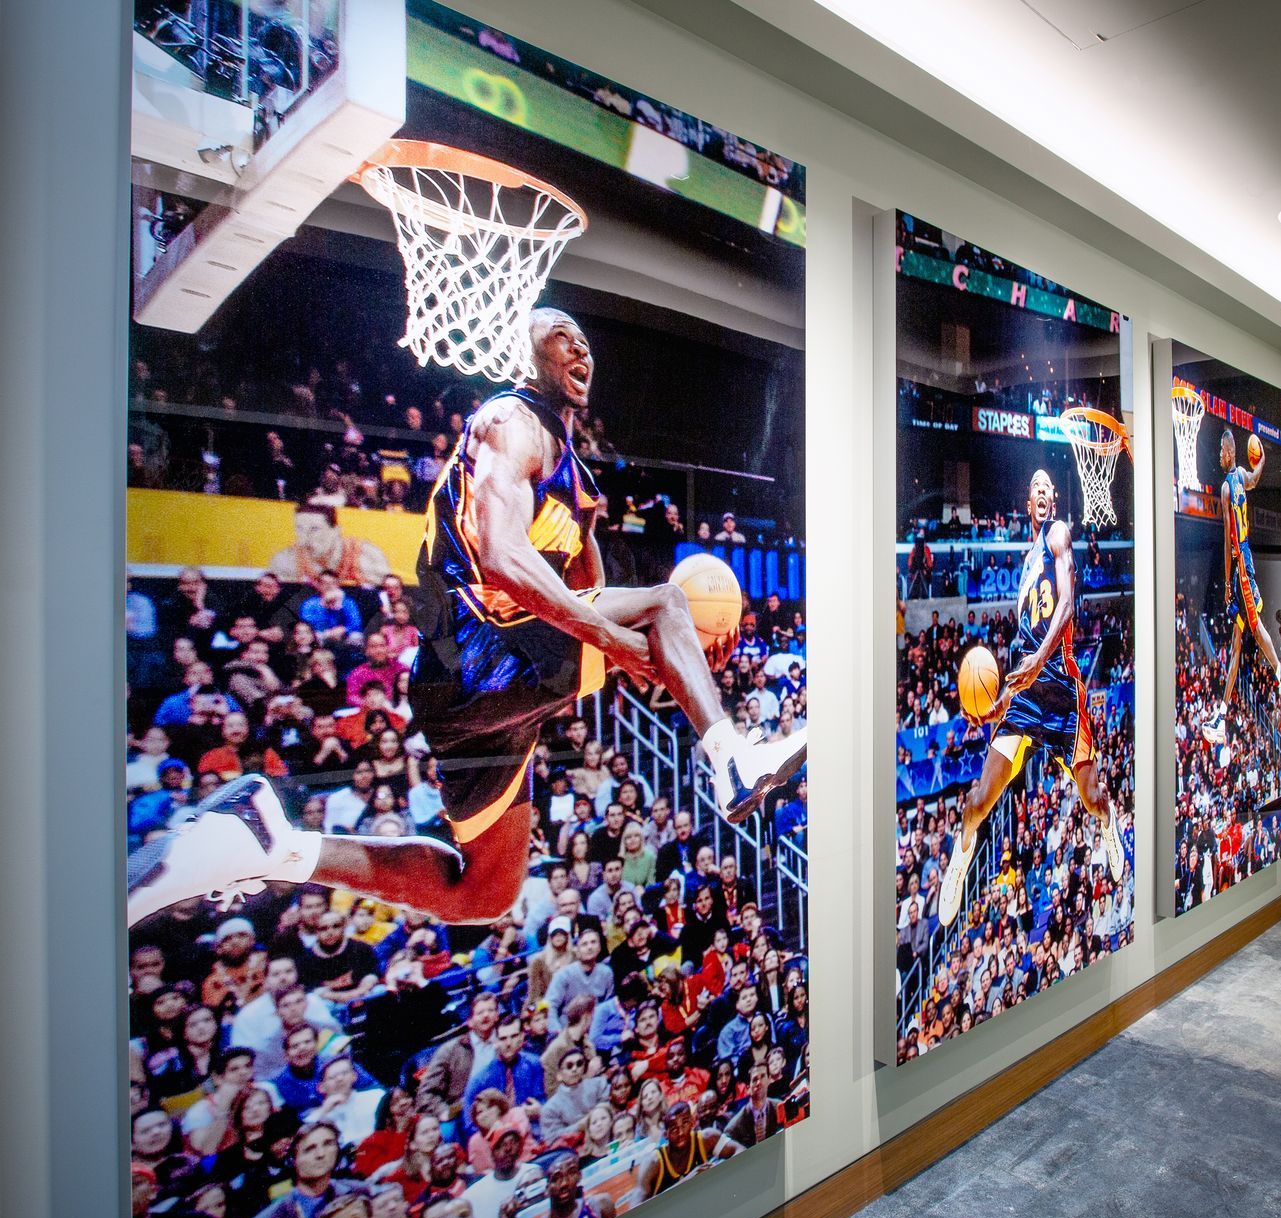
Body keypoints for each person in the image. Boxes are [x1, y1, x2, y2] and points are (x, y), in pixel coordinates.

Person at [130, 310, 808, 929]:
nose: (579, 346)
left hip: (486, 691)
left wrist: (669, 659)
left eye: (585, 339)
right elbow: (507, 559)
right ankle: (731, 761)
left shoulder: (575, 482)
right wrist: (646, 635)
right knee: (666, 599)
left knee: (481, 893)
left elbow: (591, 602)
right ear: (524, 354)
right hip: (479, 652)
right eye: (560, 334)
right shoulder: (512, 425)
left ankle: (274, 844)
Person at [935, 469, 1126, 927]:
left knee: (1092, 796)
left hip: (1059, 685)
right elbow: (1022, 646)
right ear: (1027, 503)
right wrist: (995, 704)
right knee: (978, 801)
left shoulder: (1056, 535)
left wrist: (1040, 661)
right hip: (1025, 696)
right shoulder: (1023, 564)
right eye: (1033, 488)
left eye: (1046, 487)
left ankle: (1108, 822)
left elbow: (1067, 602)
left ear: (1053, 500)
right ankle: (960, 859)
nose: (1040, 492)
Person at [1198, 429, 1281, 748]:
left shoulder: (1226, 486)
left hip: (1240, 562)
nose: (1219, 457)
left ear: (1228, 452)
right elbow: (1258, 476)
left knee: (1254, 624)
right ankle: (1221, 715)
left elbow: (1226, 539)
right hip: (1244, 561)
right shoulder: (1245, 478)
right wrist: (1262, 458)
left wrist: (1226, 580)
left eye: (1221, 453)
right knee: (1236, 644)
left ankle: (1280, 671)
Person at [236, 1120, 365, 1218]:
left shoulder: (359, 1191)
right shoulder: (274, 1216)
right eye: (309, 1149)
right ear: (293, 1159)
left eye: (328, 1144)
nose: (321, 1154)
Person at [267, 501, 392, 589]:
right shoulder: (286, 559)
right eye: (299, 529)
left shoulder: (366, 556)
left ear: (336, 531)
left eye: (314, 529)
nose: (304, 539)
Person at [635, 1102, 741, 1202]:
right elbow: (637, 1209)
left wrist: (718, 1171)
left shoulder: (706, 1138)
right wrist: (687, 1181)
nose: (680, 1133)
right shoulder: (653, 1162)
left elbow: (740, 1150)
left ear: (692, 1123)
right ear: (665, 1135)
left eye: (685, 1124)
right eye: (674, 1129)